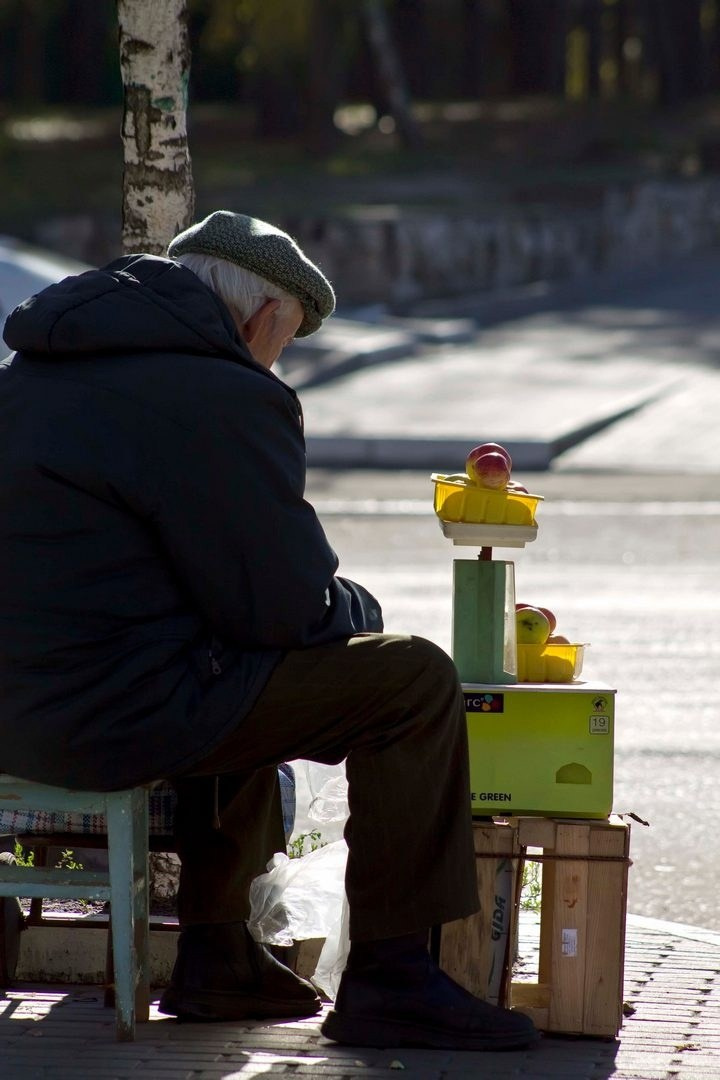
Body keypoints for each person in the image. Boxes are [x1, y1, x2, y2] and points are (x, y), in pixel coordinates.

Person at [0, 211, 537, 1052]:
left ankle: (219, 959)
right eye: (283, 340)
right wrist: (358, 610)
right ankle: (393, 980)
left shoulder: (34, 369)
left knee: (234, 658)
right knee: (412, 682)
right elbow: (286, 607)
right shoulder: (220, 395)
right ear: (260, 320)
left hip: (17, 708)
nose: (277, 358)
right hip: (104, 716)